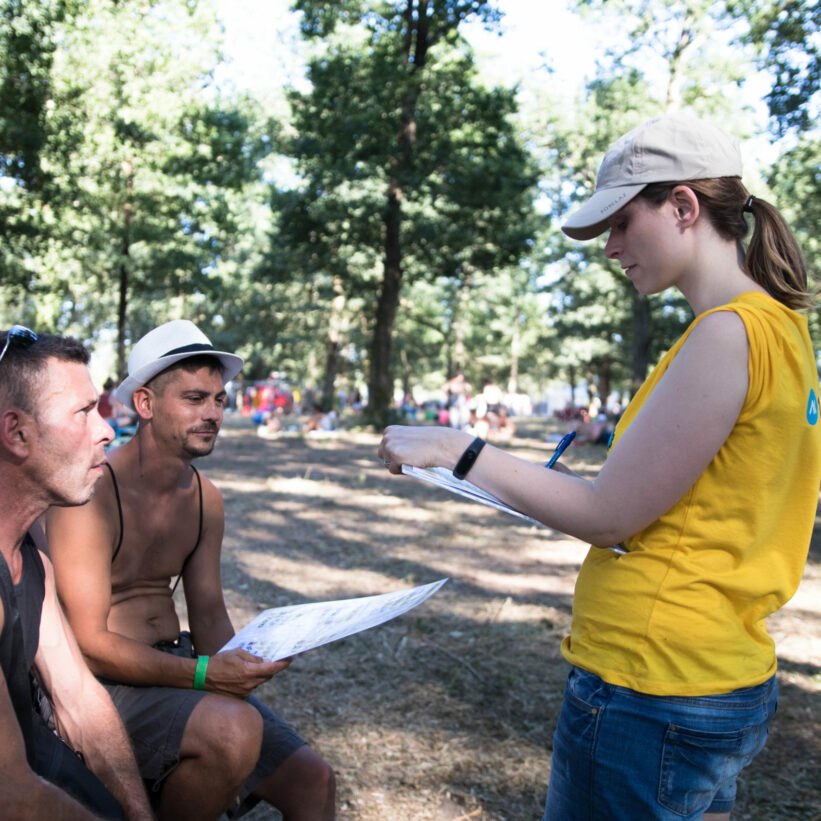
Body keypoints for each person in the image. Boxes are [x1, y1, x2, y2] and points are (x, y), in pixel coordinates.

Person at [378, 113, 821, 820]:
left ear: (682, 206)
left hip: (651, 685)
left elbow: (608, 512)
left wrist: (454, 449)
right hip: (720, 677)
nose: (611, 248)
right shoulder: (782, 327)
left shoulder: (724, 335)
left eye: (619, 223)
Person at [46, 320, 335, 821]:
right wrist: (204, 674)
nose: (213, 414)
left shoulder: (205, 500)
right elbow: (87, 643)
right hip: (107, 687)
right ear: (145, 404)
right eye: (195, 399)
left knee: (315, 780)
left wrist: (256, 655)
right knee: (231, 731)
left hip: (177, 667)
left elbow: (209, 620)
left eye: (219, 400)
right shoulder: (91, 493)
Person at [0, 326, 153, 820]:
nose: (107, 430)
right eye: (84, 413)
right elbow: (12, 795)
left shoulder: (29, 554)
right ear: (17, 433)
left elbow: (80, 702)